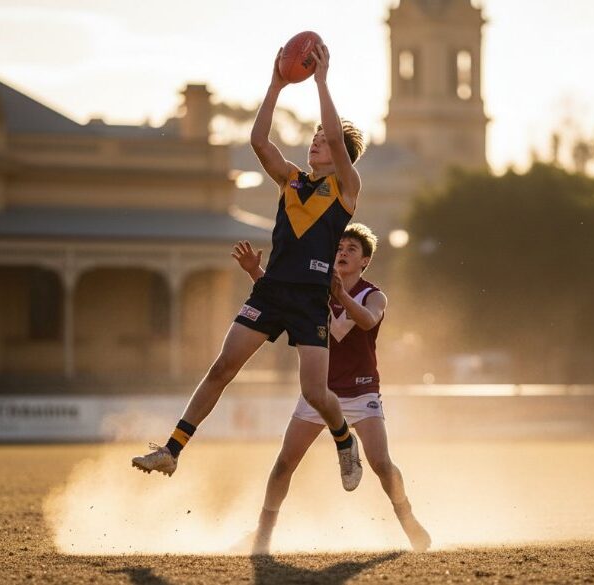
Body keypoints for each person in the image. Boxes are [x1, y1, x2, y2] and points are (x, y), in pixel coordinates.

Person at [132, 43, 368, 492]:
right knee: (222, 367)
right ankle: (171, 451)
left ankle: (343, 440)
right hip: (273, 290)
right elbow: (259, 142)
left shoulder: (347, 189)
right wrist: (276, 84)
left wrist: (320, 81)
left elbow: (339, 140)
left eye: (324, 138)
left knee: (316, 393)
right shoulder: (292, 180)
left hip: (310, 299)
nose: (318, 139)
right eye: (315, 136)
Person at [231, 223, 431, 554]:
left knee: (381, 463)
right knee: (284, 464)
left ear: (365, 261)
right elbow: (280, 302)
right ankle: (263, 534)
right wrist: (256, 274)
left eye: (351, 249)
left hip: (362, 392)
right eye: (338, 248)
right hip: (319, 393)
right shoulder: (316, 288)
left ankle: (408, 521)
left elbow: (362, 322)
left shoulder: (373, 294)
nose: (342, 253)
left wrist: (339, 296)